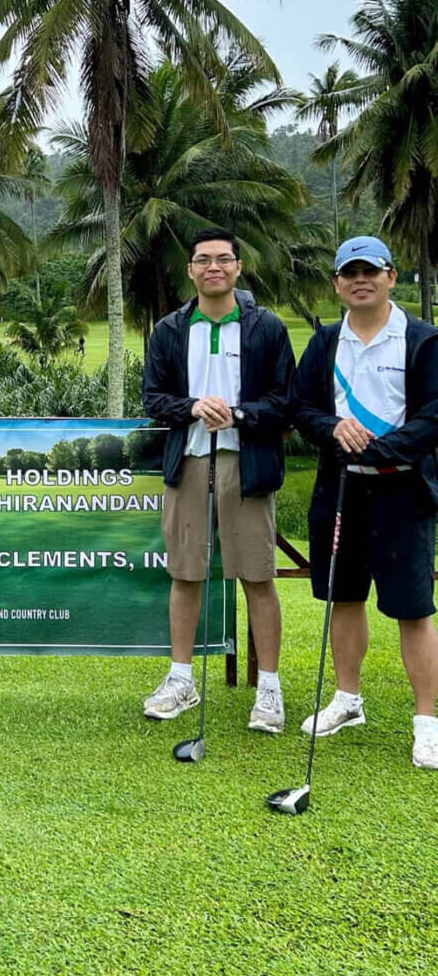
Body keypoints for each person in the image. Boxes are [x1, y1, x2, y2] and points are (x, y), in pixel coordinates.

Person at [293, 235, 438, 769]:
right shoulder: (325, 342)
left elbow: (433, 417)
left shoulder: (422, 340)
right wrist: (334, 427)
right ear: (336, 283)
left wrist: (381, 449)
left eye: (371, 271)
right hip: (340, 488)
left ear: (391, 277)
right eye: (349, 273)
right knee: (343, 595)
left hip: (401, 489)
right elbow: (301, 407)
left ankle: (427, 721)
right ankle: (347, 699)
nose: (361, 280)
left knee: (412, 607)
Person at [142, 228, 294, 731]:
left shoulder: (265, 328)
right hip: (188, 461)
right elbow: (153, 398)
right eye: (203, 260)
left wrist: (241, 415)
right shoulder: (168, 329)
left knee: (257, 575)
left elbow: (283, 401)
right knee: (186, 573)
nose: (214, 268)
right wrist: (191, 407)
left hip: (244, 463)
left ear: (238, 267)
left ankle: (268, 690)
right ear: (190, 270)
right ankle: (181, 679)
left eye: (223, 260)